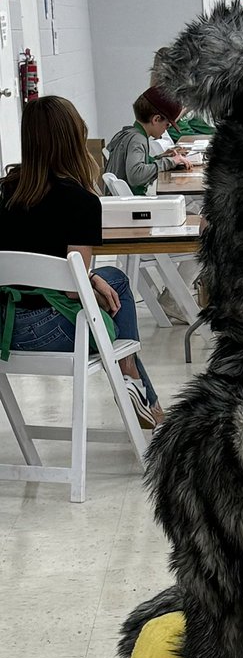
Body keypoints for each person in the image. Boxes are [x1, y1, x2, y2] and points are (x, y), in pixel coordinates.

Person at [0, 95, 163, 427]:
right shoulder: (82, 202)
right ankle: (130, 374)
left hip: (5, 325)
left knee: (105, 279)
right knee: (114, 280)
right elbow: (74, 292)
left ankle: (139, 387)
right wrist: (89, 279)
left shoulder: (7, 192)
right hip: (50, 330)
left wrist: (88, 279)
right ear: (74, 140)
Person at [105, 86, 192, 196]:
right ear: (156, 119)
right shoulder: (137, 139)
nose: (166, 129)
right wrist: (171, 161)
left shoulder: (130, 133)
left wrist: (164, 157)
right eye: (167, 125)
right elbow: (136, 176)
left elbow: (138, 164)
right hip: (134, 206)